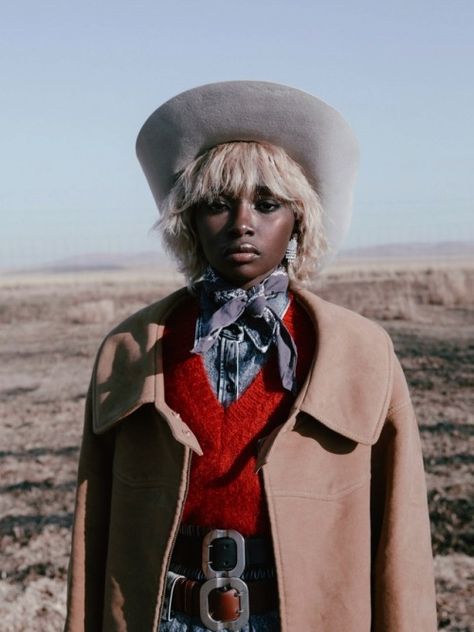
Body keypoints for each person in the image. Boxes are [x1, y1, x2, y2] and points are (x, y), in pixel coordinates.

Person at [64, 81, 437, 632]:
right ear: (188, 220)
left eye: (267, 204)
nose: (243, 222)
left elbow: (401, 536)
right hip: (164, 616)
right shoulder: (130, 349)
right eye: (217, 203)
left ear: (299, 220)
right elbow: (93, 530)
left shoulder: (360, 352)